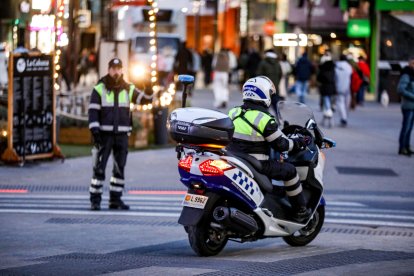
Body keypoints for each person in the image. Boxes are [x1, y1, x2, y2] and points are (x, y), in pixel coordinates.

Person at [227, 76, 311, 222]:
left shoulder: (233, 112)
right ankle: (300, 210)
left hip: (234, 159)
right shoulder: (264, 119)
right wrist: (299, 142)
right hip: (258, 164)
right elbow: (283, 145)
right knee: (290, 170)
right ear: (264, 94)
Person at [88, 58, 152, 211]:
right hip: (104, 135)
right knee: (99, 168)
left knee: (119, 168)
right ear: (109, 69)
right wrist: (95, 131)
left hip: (122, 135)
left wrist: (148, 87)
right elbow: (93, 111)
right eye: (113, 68)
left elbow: (146, 100)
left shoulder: (128, 88)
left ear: (122, 70)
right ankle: (95, 200)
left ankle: (115, 200)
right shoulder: (99, 88)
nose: (116, 71)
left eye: (118, 68)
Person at [397, 57, 414, 157]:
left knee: (410, 127)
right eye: (412, 63)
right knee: (406, 127)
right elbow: (400, 90)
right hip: (408, 105)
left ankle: (407, 146)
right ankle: (402, 147)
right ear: (409, 64)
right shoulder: (406, 75)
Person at [256, 49, 282, 113]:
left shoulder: (263, 63)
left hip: (265, 89)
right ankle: (280, 121)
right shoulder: (277, 63)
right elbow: (280, 75)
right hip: (275, 88)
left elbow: (258, 75)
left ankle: (264, 121)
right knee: (277, 108)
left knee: (264, 108)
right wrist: (276, 83)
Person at [317, 52, 337, 127]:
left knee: (327, 104)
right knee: (328, 103)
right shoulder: (333, 69)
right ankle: (325, 119)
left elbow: (319, 78)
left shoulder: (323, 69)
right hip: (331, 88)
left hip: (325, 88)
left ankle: (329, 117)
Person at [334, 54, 353, 127]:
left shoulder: (336, 66)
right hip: (347, 87)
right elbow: (351, 75)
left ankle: (343, 118)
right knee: (346, 104)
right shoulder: (349, 66)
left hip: (339, 87)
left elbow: (334, 77)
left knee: (340, 103)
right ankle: (345, 117)